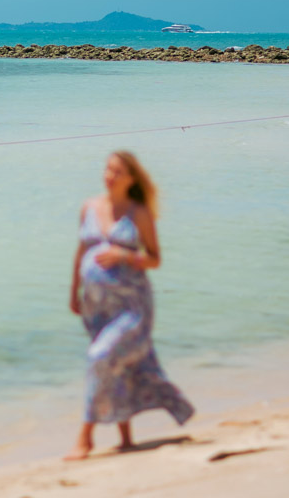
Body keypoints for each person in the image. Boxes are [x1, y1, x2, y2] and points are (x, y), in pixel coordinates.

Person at [65, 150, 194, 460]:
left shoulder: (139, 213)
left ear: (132, 179)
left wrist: (125, 256)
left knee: (100, 357)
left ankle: (86, 437)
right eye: (108, 170)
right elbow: (80, 250)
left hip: (132, 306)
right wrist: (74, 292)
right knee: (116, 364)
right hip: (96, 306)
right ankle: (126, 439)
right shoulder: (90, 207)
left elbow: (154, 258)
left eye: (117, 171)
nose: (110, 176)